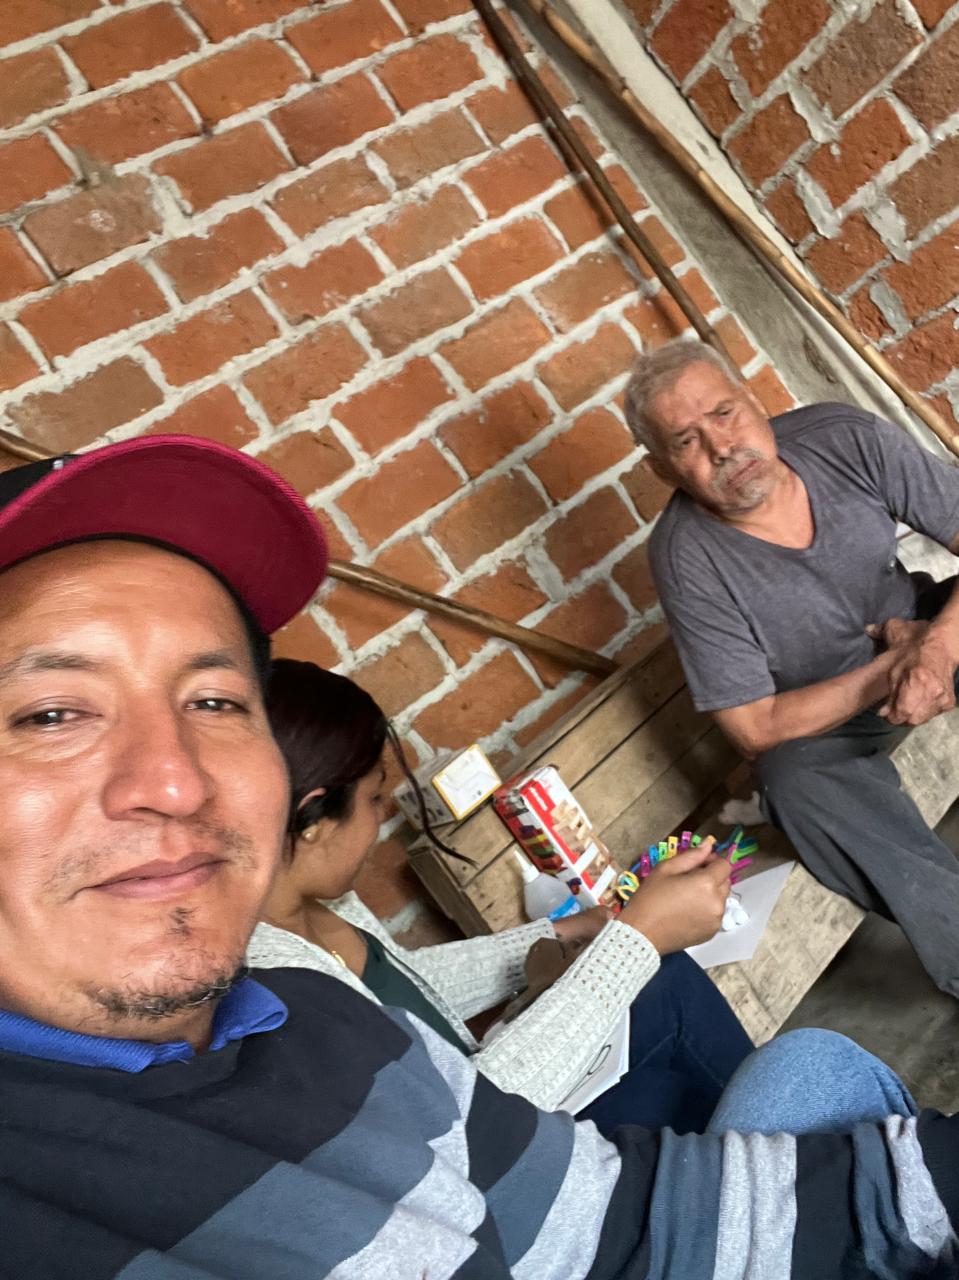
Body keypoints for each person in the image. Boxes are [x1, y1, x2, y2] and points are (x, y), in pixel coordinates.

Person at [0, 433, 954, 1278]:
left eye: (214, 703)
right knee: (795, 1057)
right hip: (547, 1097)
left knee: (789, 1065)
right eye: (50, 715)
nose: (175, 782)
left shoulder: (308, 1012)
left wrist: (579, 936)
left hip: (565, 1166)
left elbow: (588, 1211)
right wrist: (628, 941)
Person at [248, 659, 752, 1133]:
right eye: (374, 798)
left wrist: (563, 931)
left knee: (669, 987)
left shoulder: (319, 901)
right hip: (500, 1149)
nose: (381, 816)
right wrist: (637, 939)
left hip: (509, 1109)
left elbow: (407, 985)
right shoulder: (280, 993)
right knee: (716, 1062)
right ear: (313, 819)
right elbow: (463, 1126)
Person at [626, 338, 959, 999]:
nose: (722, 448)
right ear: (662, 470)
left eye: (724, 413)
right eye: (687, 442)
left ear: (753, 400)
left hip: (927, 632)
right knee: (791, 782)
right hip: (832, 710)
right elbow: (754, 729)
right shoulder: (684, 557)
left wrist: (936, 648)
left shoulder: (842, 437)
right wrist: (894, 666)